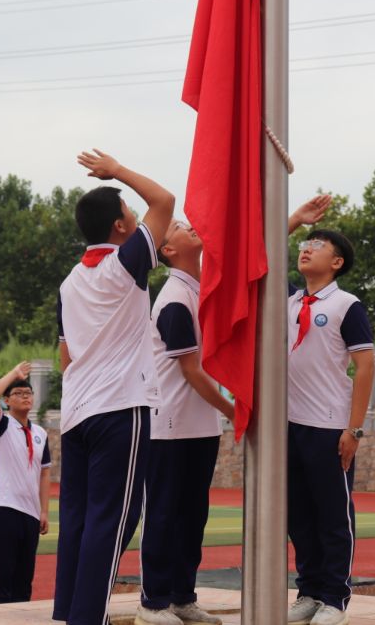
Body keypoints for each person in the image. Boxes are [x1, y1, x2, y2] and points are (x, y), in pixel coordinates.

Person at [53, 149, 174, 625]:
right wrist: (117, 171)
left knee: (80, 521)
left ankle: (69, 612)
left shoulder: (69, 282)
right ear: (121, 227)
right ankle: (87, 618)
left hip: (76, 411)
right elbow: (163, 200)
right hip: (120, 408)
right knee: (114, 519)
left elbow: (65, 355)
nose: (135, 214)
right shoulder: (123, 265)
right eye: (128, 210)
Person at [135, 219, 234, 625]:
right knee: (162, 514)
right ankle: (152, 602)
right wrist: (234, 410)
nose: (190, 226)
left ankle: (181, 597)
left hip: (201, 427)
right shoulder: (175, 299)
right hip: (169, 428)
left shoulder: (199, 288)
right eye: (178, 227)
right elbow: (192, 372)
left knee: (193, 516)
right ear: (169, 250)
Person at [285, 205, 375, 625]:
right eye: (305, 243)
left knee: (333, 516)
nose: (306, 249)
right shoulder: (286, 299)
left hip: (328, 426)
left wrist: (354, 428)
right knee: (298, 516)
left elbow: (365, 366)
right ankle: (309, 589)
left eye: (317, 245)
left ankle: (336, 597)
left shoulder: (346, 305)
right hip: (288, 426)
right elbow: (258, 254)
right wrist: (297, 220)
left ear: (336, 262)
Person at [0, 362, 50, 604]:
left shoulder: (40, 433)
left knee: (24, 583)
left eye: (28, 393)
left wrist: (44, 510)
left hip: (30, 514)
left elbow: (44, 473)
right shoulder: (2, 426)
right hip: (4, 509)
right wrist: (14, 373)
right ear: (7, 401)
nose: (25, 397)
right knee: (2, 582)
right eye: (18, 394)